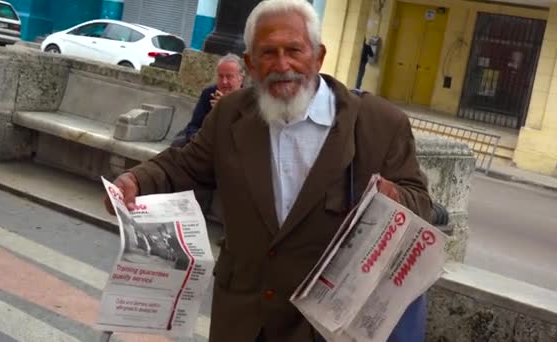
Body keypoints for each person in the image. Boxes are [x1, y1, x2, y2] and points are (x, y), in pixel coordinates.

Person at [105, 0, 432, 341]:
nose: (282, 64)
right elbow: (184, 164)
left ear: (318, 57)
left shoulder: (378, 124)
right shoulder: (232, 114)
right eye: (268, 53)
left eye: (294, 50)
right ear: (250, 63)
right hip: (244, 318)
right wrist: (135, 180)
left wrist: (392, 197)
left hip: (324, 326)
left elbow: (421, 204)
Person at [171, 53, 245, 147]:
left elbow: (241, 136)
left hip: (229, 146)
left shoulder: (248, 100)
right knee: (179, 143)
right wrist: (197, 140)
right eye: (220, 76)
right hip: (204, 141)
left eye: (229, 77)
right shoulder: (209, 93)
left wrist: (224, 109)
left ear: (241, 79)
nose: (224, 82)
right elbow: (194, 125)